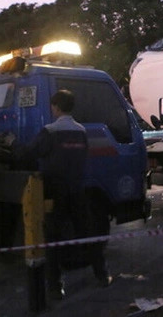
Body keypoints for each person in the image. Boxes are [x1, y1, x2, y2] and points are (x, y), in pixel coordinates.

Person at [17, 90, 111, 299]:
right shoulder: (81, 131)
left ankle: (55, 287)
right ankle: (102, 275)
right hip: (77, 189)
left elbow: (29, 153)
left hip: (55, 191)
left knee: (54, 239)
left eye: (52, 106)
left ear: (57, 107)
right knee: (88, 233)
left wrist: (12, 145)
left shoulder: (49, 131)